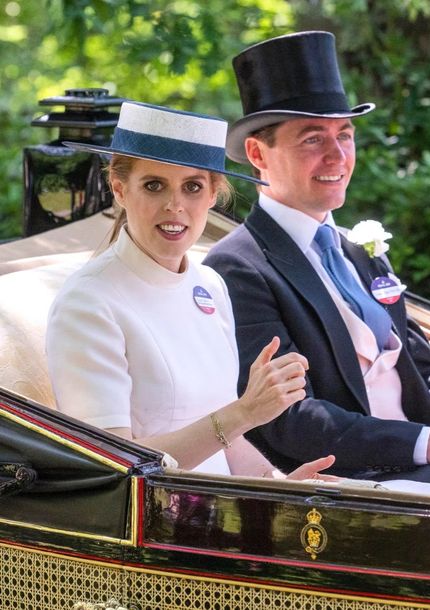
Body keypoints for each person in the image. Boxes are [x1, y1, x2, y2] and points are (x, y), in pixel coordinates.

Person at [204, 31, 430, 497]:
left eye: (344, 135)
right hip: (349, 483)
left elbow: (423, 367)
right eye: (313, 139)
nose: (337, 155)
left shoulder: (361, 248)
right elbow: (291, 419)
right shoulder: (236, 267)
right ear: (257, 154)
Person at [46, 100, 336, 480]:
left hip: (226, 508)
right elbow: (113, 468)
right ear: (119, 189)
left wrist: (281, 486)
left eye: (193, 187)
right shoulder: (87, 303)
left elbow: (225, 442)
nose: (174, 205)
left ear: (213, 195)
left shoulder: (210, 285)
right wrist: (245, 411)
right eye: (154, 186)